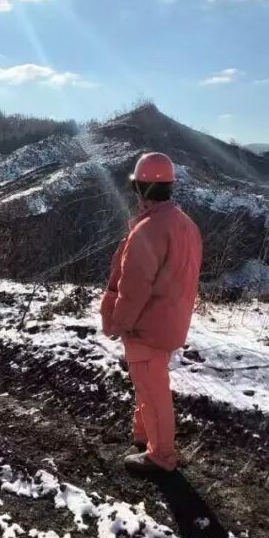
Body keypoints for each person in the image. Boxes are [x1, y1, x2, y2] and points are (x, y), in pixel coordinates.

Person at [100, 152, 203, 475]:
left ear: (142, 188)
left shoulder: (148, 229)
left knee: (152, 390)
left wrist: (118, 323)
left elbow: (133, 289)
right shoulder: (185, 224)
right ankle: (144, 435)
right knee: (149, 384)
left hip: (147, 327)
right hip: (171, 322)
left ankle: (160, 456)